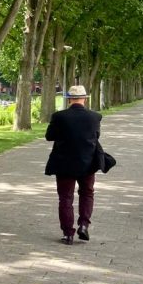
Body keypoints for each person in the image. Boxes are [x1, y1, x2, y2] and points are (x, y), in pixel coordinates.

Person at [45, 84, 102, 245]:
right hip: (87, 163)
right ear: (84, 99)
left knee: (65, 198)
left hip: (64, 163)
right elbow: (96, 136)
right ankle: (83, 225)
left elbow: (49, 136)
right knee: (87, 193)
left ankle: (68, 233)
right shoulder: (95, 117)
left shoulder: (59, 116)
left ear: (69, 99)